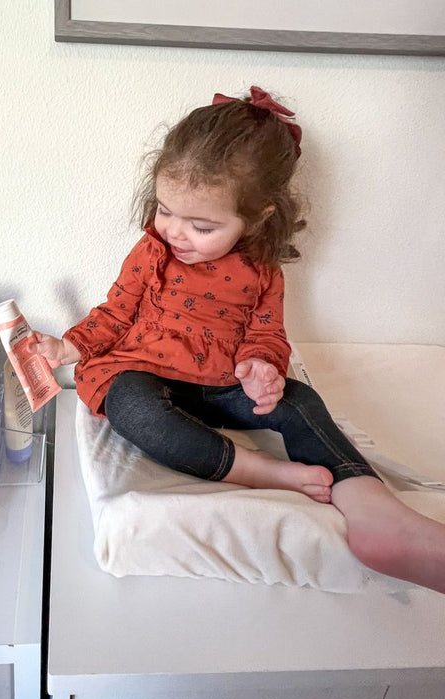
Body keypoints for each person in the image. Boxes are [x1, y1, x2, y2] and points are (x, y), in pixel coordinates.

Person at [34, 86, 445, 594]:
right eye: (165, 210)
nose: (175, 232)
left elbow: (267, 332)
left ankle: (372, 506)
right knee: (131, 409)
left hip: (224, 383)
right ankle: (258, 471)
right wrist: (68, 347)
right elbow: (116, 311)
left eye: (202, 226)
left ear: (259, 217)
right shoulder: (152, 251)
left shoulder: (261, 270)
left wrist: (262, 366)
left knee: (299, 401)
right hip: (145, 370)